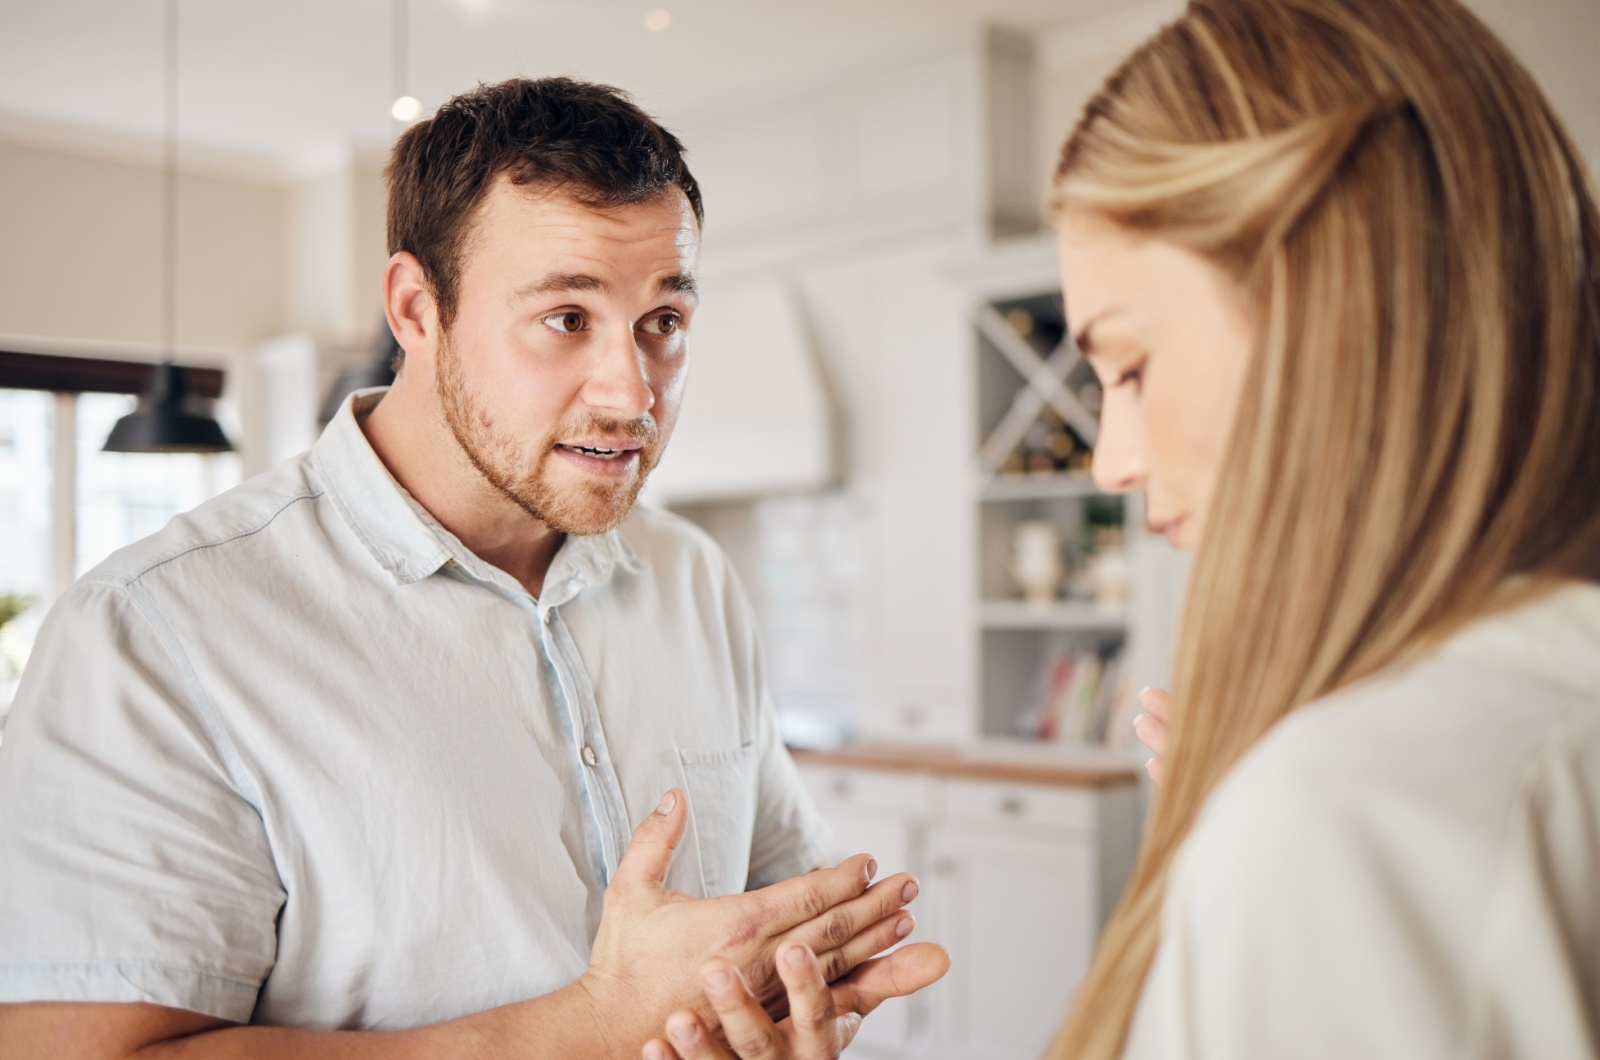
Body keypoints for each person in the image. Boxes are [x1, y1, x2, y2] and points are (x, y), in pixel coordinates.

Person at [639, 0, 1600, 1056]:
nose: (1113, 461)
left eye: (1133, 366)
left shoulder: (1344, 808)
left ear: (1335, 308)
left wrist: (1264, 838)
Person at [0, 77, 948, 1057]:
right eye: (566, 317)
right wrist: (590, 1027)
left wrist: (792, 998)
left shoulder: (691, 577)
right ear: (417, 308)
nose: (633, 391)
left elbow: (768, 912)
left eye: (662, 321)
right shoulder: (151, 631)